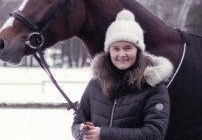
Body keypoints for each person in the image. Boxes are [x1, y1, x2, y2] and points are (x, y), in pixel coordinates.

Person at [72, 10, 173, 140]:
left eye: (127, 48)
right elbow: (77, 121)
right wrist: (81, 132)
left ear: (138, 50)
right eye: (116, 48)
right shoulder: (96, 83)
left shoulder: (154, 86)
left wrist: (103, 134)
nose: (121, 55)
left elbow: (154, 133)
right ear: (109, 51)